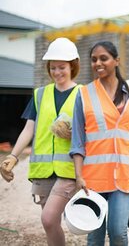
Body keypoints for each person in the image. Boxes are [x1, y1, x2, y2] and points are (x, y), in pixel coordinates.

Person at [70, 40, 129, 246]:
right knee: (95, 235)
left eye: (103, 58)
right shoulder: (84, 94)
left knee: (117, 231)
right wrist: (78, 176)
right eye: (94, 59)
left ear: (116, 60)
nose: (98, 63)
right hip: (94, 178)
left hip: (127, 176)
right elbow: (78, 141)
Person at [0, 37, 81, 246]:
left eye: (61, 67)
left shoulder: (83, 94)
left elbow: (92, 132)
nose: (57, 72)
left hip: (70, 170)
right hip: (43, 171)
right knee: (50, 223)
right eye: (53, 68)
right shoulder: (40, 94)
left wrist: (73, 134)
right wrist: (13, 156)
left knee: (47, 218)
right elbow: (29, 129)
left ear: (72, 66)